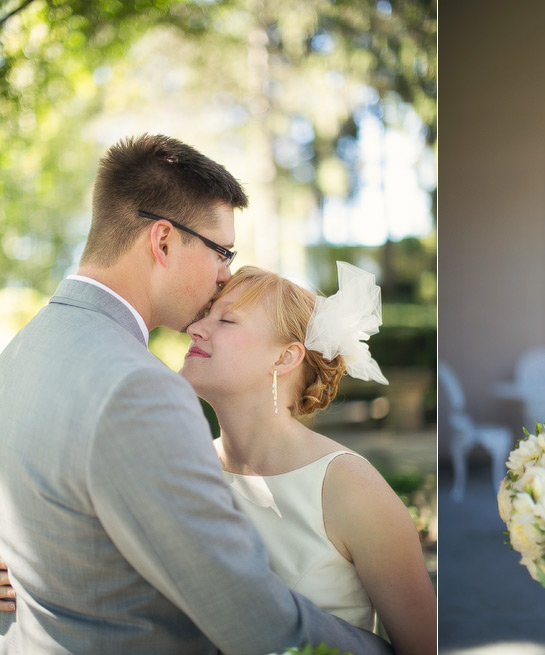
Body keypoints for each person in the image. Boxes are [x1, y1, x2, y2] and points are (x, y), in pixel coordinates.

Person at [0, 134, 393, 655]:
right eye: (222, 251)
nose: (225, 274)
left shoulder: (23, 349)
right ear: (163, 242)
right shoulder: (138, 389)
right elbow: (246, 613)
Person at [179, 263, 437, 654]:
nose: (194, 329)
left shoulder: (349, 486)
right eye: (204, 317)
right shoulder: (186, 470)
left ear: (285, 359)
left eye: (227, 320)